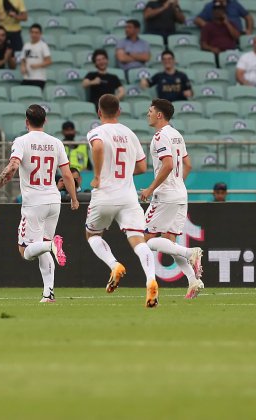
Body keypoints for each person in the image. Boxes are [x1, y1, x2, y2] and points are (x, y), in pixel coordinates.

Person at [0, 105, 79, 302]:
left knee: (26, 252)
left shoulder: (21, 141)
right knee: (42, 246)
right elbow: (67, 174)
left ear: (26, 122)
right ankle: (49, 293)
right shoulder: (56, 143)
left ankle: (52, 246)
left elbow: (12, 167)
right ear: (45, 121)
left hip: (34, 203)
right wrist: (74, 198)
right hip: (54, 200)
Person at [84, 94, 159, 308]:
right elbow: (143, 168)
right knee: (138, 240)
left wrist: (97, 176)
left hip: (105, 195)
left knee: (92, 234)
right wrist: (125, 172)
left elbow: (97, 147)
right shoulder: (130, 134)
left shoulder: (96, 131)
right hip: (128, 196)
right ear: (119, 111)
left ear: (99, 112)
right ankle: (151, 279)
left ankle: (114, 264)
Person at [140, 99, 204, 299]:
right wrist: (178, 185)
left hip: (165, 196)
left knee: (143, 240)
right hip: (180, 194)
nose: (147, 114)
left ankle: (190, 252)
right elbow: (188, 164)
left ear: (159, 115)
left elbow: (167, 164)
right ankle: (193, 281)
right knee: (169, 242)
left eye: (150, 111)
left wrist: (151, 188)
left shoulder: (159, 137)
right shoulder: (176, 134)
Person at [20, 24, 51, 90]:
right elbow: (24, 59)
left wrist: (37, 65)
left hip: (39, 78)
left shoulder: (43, 45)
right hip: (27, 77)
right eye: (32, 32)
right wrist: (23, 66)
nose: (34, 35)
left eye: (36, 33)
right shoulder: (27, 45)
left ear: (40, 34)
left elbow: (48, 61)